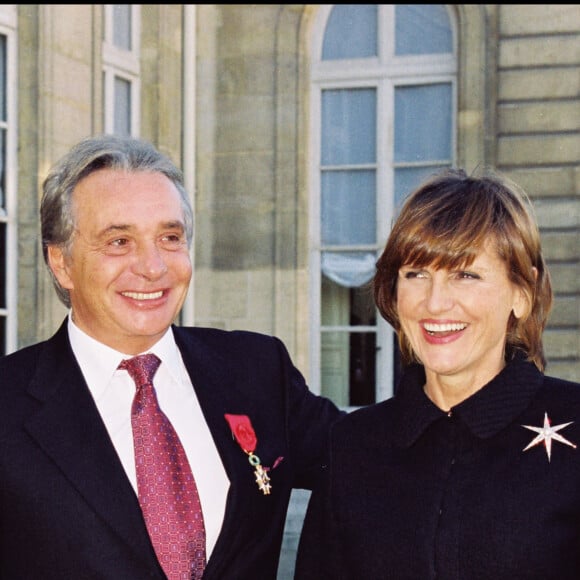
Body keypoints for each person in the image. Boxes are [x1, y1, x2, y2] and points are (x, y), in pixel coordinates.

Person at [0, 134, 341, 579]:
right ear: (61, 262)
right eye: (119, 241)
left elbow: (380, 459)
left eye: (170, 236)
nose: (153, 266)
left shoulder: (256, 370)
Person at [295, 168, 580, 579]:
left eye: (465, 275)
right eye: (416, 274)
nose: (435, 302)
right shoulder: (353, 447)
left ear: (523, 292)